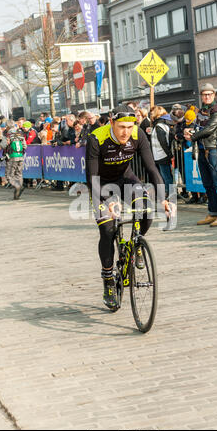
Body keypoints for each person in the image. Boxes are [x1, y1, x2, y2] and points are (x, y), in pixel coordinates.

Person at [86, 105, 169, 310]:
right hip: (101, 185)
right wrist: (107, 200)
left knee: (146, 211)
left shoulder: (138, 134)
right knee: (107, 229)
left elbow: (151, 168)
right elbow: (91, 179)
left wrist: (163, 198)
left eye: (130, 127)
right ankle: (108, 281)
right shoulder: (96, 138)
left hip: (126, 179)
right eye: (122, 127)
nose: (126, 132)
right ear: (112, 123)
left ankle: (136, 245)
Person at [184, 83, 217, 227]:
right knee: (208, 184)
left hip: (213, 149)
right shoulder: (201, 110)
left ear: (214, 95)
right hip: (202, 149)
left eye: (209, 94)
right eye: (204, 94)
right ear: (201, 96)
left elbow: (210, 128)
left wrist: (193, 136)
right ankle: (213, 213)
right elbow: (195, 126)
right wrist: (187, 132)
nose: (207, 96)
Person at [150, 106, 174, 199]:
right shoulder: (161, 124)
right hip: (160, 154)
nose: (151, 114)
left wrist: (169, 154)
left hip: (162, 155)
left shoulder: (159, 125)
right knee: (165, 175)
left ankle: (170, 193)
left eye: (152, 112)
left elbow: (163, 142)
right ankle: (168, 192)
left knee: (166, 175)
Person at [1, 129, 27, 200]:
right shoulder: (21, 137)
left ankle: (17, 186)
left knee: (9, 175)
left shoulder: (8, 138)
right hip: (21, 157)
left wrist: (0, 142)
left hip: (12, 158)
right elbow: (25, 147)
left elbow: (3, 146)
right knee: (19, 174)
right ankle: (19, 189)